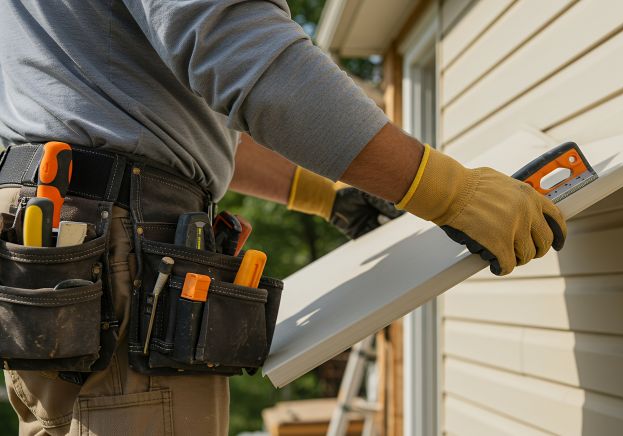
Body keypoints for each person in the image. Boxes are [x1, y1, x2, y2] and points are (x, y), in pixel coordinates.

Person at [0, 1, 566, 434]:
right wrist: (453, 193)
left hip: (77, 226)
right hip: (117, 241)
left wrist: (327, 196)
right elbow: (248, 60)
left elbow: (172, 118)